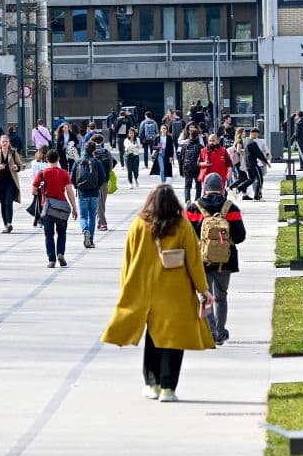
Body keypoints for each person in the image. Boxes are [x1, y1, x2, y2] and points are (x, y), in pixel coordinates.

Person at [102, 184, 215, 403]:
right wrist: (203, 290)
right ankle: (168, 388)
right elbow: (193, 261)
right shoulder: (182, 226)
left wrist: (126, 287)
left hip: (145, 290)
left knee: (153, 337)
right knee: (174, 339)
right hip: (176, 292)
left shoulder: (138, 225)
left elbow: (128, 259)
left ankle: (151, 384)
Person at [186, 173, 247, 345]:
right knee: (221, 296)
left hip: (201, 260)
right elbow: (241, 236)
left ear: (204, 187)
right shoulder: (231, 208)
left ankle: (209, 332)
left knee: (206, 297)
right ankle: (220, 333)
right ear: (221, 187)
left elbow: (186, 236)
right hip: (225, 261)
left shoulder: (193, 208)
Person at [33, 149, 77, 268]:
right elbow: (69, 191)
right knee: (62, 232)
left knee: (49, 234)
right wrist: (74, 208)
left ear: (46, 159)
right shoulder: (64, 173)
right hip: (62, 207)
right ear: (58, 159)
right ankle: (61, 253)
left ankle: (51, 260)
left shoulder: (41, 174)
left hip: (47, 207)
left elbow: (33, 190)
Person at [72, 137, 110, 248]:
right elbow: (103, 178)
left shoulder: (78, 162)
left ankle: (85, 230)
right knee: (92, 216)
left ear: (85, 149)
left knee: (83, 216)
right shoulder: (97, 162)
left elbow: (72, 178)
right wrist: (97, 187)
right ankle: (91, 240)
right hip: (94, 193)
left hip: (82, 193)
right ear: (94, 151)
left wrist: (77, 187)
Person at [0, 134, 23, 233]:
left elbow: (21, 165)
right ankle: (5, 224)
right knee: (3, 204)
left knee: (8, 202)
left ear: (9, 143)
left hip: (10, 182)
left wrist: (17, 167)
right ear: (0, 143)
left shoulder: (14, 153)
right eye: (3, 141)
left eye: (6, 141)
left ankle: (10, 223)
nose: (4, 143)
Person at [178, 125, 203, 205]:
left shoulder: (185, 146)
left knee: (187, 186)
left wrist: (182, 170)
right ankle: (197, 200)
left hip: (187, 167)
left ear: (190, 136)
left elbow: (181, 159)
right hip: (197, 168)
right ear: (197, 136)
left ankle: (187, 200)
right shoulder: (200, 147)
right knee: (198, 186)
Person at [27, 146, 49, 227]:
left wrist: (33, 186)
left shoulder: (34, 163)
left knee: (39, 203)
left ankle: (39, 220)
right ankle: (41, 219)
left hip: (39, 185)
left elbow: (32, 176)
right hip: (47, 186)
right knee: (44, 203)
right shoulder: (50, 163)